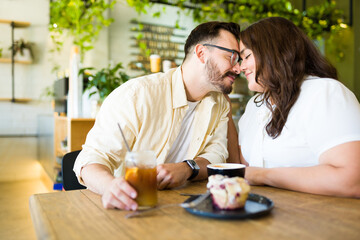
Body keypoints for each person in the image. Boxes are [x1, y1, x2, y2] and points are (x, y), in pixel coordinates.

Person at [74, 21, 242, 210]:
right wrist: (110, 186)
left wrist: (187, 168)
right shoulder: (137, 95)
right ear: (201, 53)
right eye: (232, 57)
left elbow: (216, 155)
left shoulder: (219, 103)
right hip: (131, 208)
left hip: (183, 208)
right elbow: (91, 159)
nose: (238, 68)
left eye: (240, 60)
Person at [233, 17, 360, 197]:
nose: (240, 66)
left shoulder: (324, 92)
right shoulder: (255, 105)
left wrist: (263, 175)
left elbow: (353, 179)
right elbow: (244, 170)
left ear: (273, 52)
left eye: (246, 56)